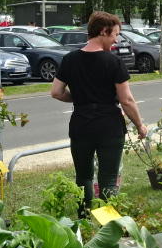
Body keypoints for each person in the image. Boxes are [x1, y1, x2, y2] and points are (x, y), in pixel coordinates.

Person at [51, 11, 147, 214]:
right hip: (109, 126)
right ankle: (108, 225)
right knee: (108, 179)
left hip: (81, 125)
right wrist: (140, 125)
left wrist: (79, 98)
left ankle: (83, 220)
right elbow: (126, 100)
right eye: (115, 35)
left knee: (83, 176)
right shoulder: (114, 62)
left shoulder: (69, 60)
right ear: (104, 31)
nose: (116, 39)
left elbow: (56, 92)